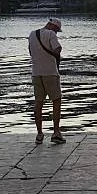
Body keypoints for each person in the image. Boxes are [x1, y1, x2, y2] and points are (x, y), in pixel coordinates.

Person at [28, 17, 65, 145]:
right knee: (56, 101)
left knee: (38, 103)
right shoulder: (51, 34)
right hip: (50, 73)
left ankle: (39, 134)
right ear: (53, 27)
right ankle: (56, 133)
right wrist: (55, 56)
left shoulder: (32, 34)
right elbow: (57, 49)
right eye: (57, 30)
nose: (56, 33)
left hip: (36, 73)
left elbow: (31, 53)